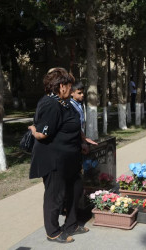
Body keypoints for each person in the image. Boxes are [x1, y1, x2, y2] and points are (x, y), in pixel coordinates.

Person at [29, 68, 90, 243]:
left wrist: (82, 142)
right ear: (61, 86)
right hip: (54, 159)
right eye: (69, 86)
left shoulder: (64, 102)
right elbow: (43, 132)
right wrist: (34, 131)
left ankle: (71, 225)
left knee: (75, 189)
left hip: (70, 157)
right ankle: (53, 232)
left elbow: (72, 126)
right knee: (55, 195)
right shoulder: (50, 103)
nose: (71, 90)